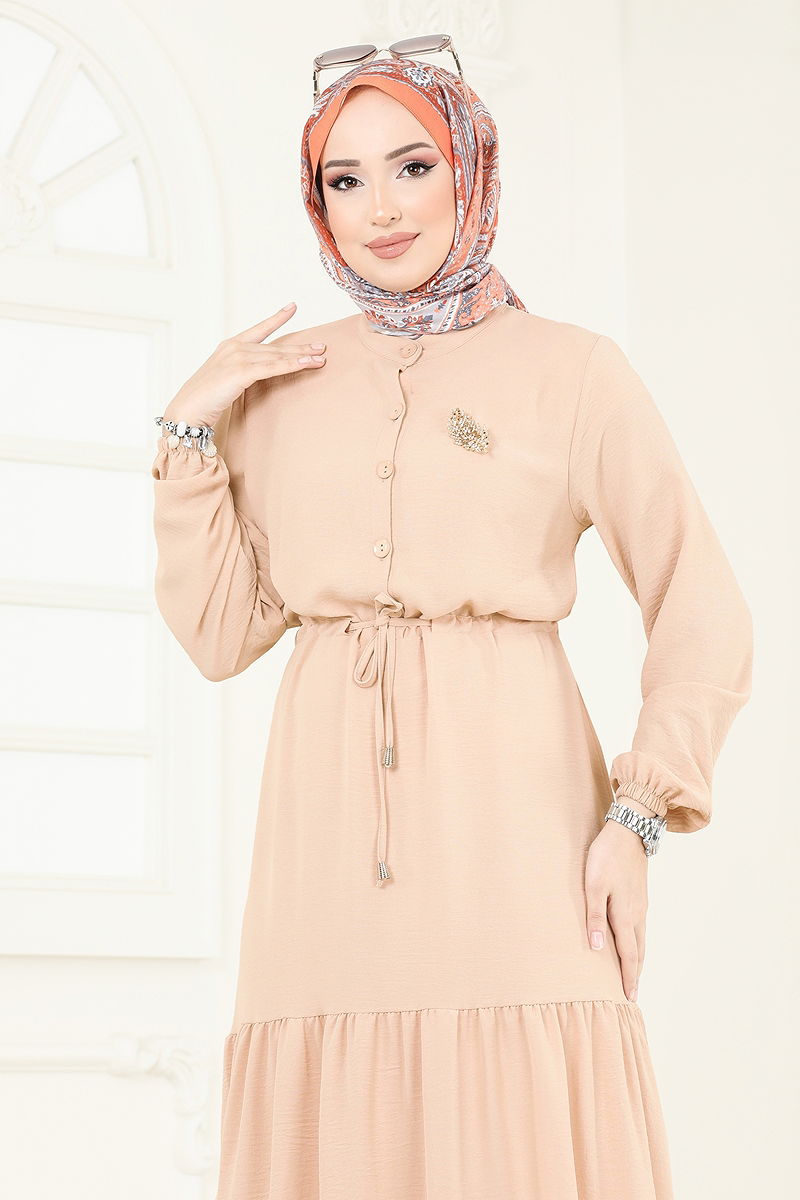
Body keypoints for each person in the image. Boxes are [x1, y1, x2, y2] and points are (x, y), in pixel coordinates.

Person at [151, 49, 753, 1200]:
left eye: (412, 166)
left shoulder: (573, 373)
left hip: (522, 848)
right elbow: (221, 636)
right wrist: (189, 433)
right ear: (317, 203)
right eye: (343, 180)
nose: (378, 208)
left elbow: (702, 608)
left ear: (469, 168)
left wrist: (636, 819)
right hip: (321, 863)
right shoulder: (277, 387)